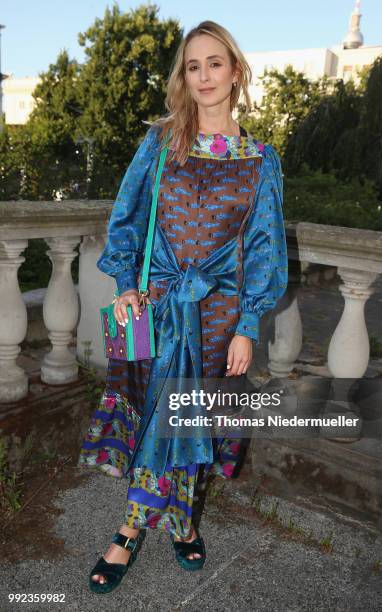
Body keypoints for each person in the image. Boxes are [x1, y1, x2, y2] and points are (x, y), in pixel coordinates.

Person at [78, 19, 288, 593]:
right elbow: (125, 220)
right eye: (192, 66)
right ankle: (130, 530)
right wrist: (125, 283)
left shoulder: (260, 159)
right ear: (183, 76)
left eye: (214, 63)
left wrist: (248, 324)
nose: (203, 76)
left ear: (236, 71)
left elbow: (266, 251)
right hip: (159, 305)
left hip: (220, 318)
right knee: (157, 416)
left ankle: (182, 519)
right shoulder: (160, 141)